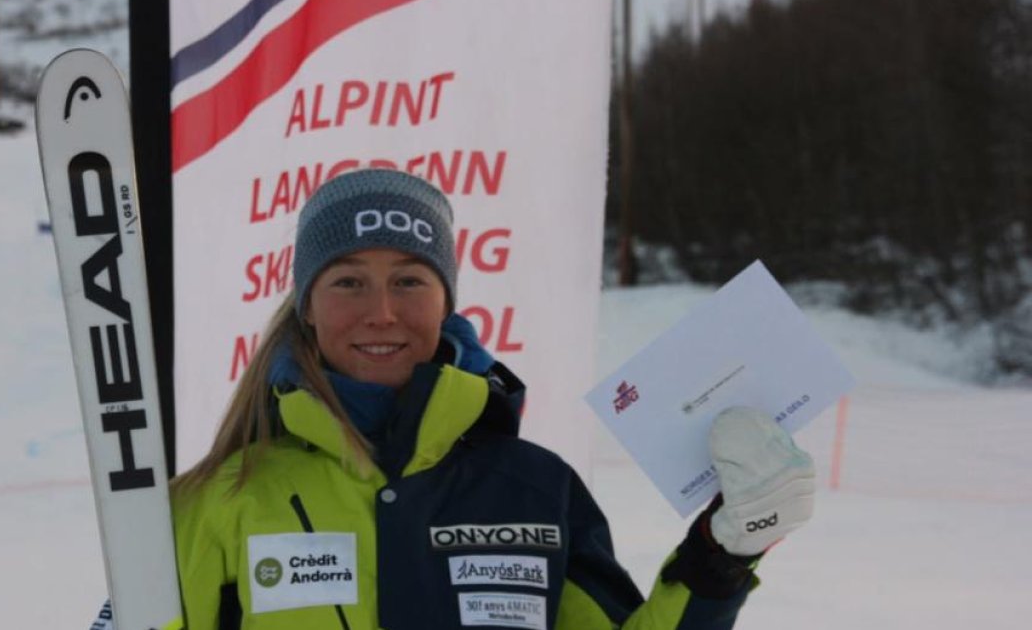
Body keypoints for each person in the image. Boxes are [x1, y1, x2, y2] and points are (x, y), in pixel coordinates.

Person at [94, 168, 816, 630]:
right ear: (307, 306)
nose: (381, 310)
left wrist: (720, 556)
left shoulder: (533, 488)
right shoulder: (220, 500)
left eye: (410, 280)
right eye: (347, 280)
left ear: (448, 304)